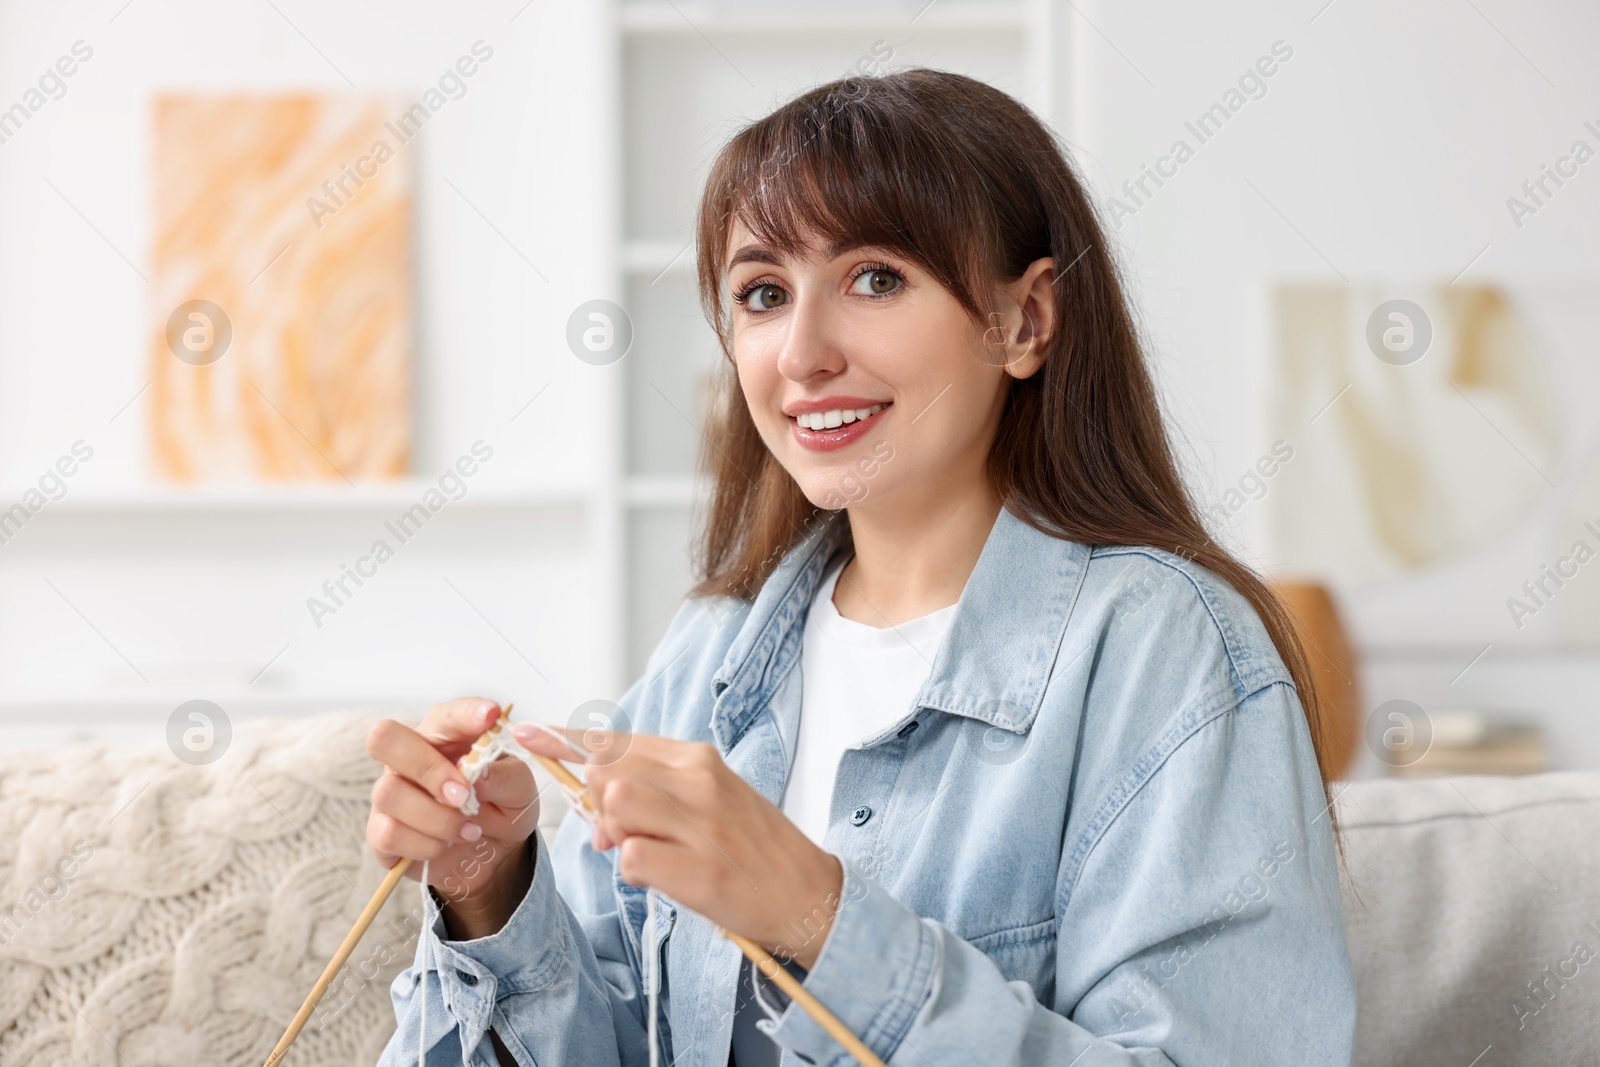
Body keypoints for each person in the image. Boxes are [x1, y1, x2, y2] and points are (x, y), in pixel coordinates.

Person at [369, 68, 1356, 1066]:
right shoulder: (708, 653)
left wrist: (818, 915)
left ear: (1024, 321)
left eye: (874, 277)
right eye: (762, 293)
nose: (801, 352)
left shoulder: (1165, 649)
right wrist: (487, 889)